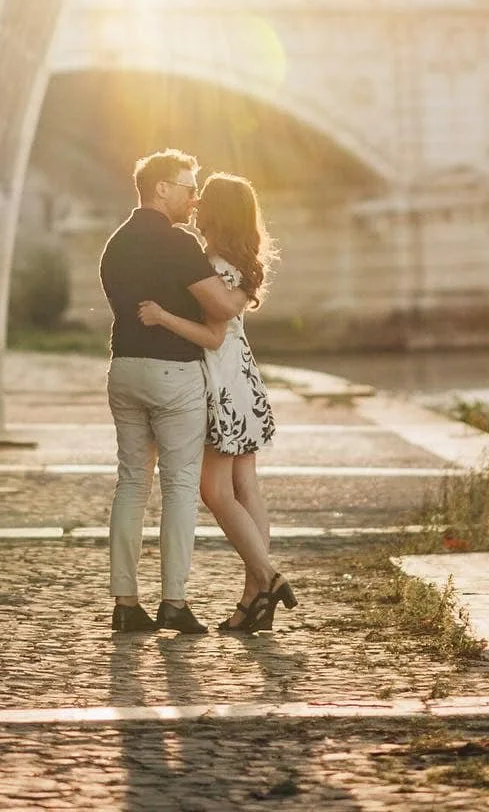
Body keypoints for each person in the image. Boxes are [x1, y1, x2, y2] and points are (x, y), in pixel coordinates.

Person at [137, 172, 296, 634]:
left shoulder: (211, 265)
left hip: (220, 384)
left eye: (205, 198)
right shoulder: (240, 263)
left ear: (217, 212)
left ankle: (267, 579)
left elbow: (211, 336)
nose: (197, 201)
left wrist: (163, 317)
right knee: (247, 487)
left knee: (215, 491)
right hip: (243, 379)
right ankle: (254, 597)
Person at [100, 149, 250, 634]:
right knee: (181, 487)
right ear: (161, 188)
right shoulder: (179, 245)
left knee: (131, 484)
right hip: (173, 375)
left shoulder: (115, 245)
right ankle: (174, 602)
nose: (194, 197)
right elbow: (221, 309)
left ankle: (125, 602)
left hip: (123, 369)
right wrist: (247, 283)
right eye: (188, 187)